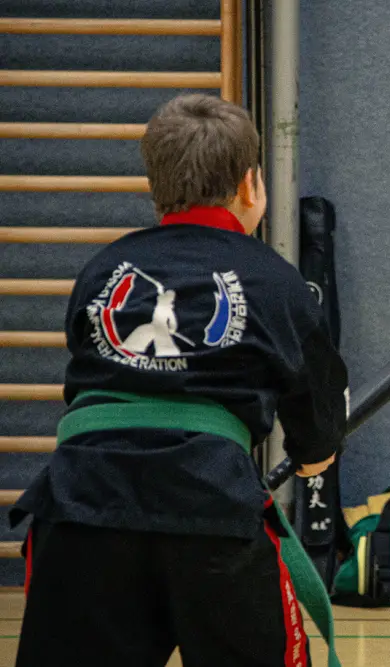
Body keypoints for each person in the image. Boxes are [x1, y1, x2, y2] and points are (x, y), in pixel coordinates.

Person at [10, 93, 348, 667]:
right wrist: (315, 453)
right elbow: (316, 413)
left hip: (84, 506)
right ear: (250, 185)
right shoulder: (273, 280)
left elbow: (92, 381)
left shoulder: (102, 270)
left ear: (153, 181)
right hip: (209, 512)